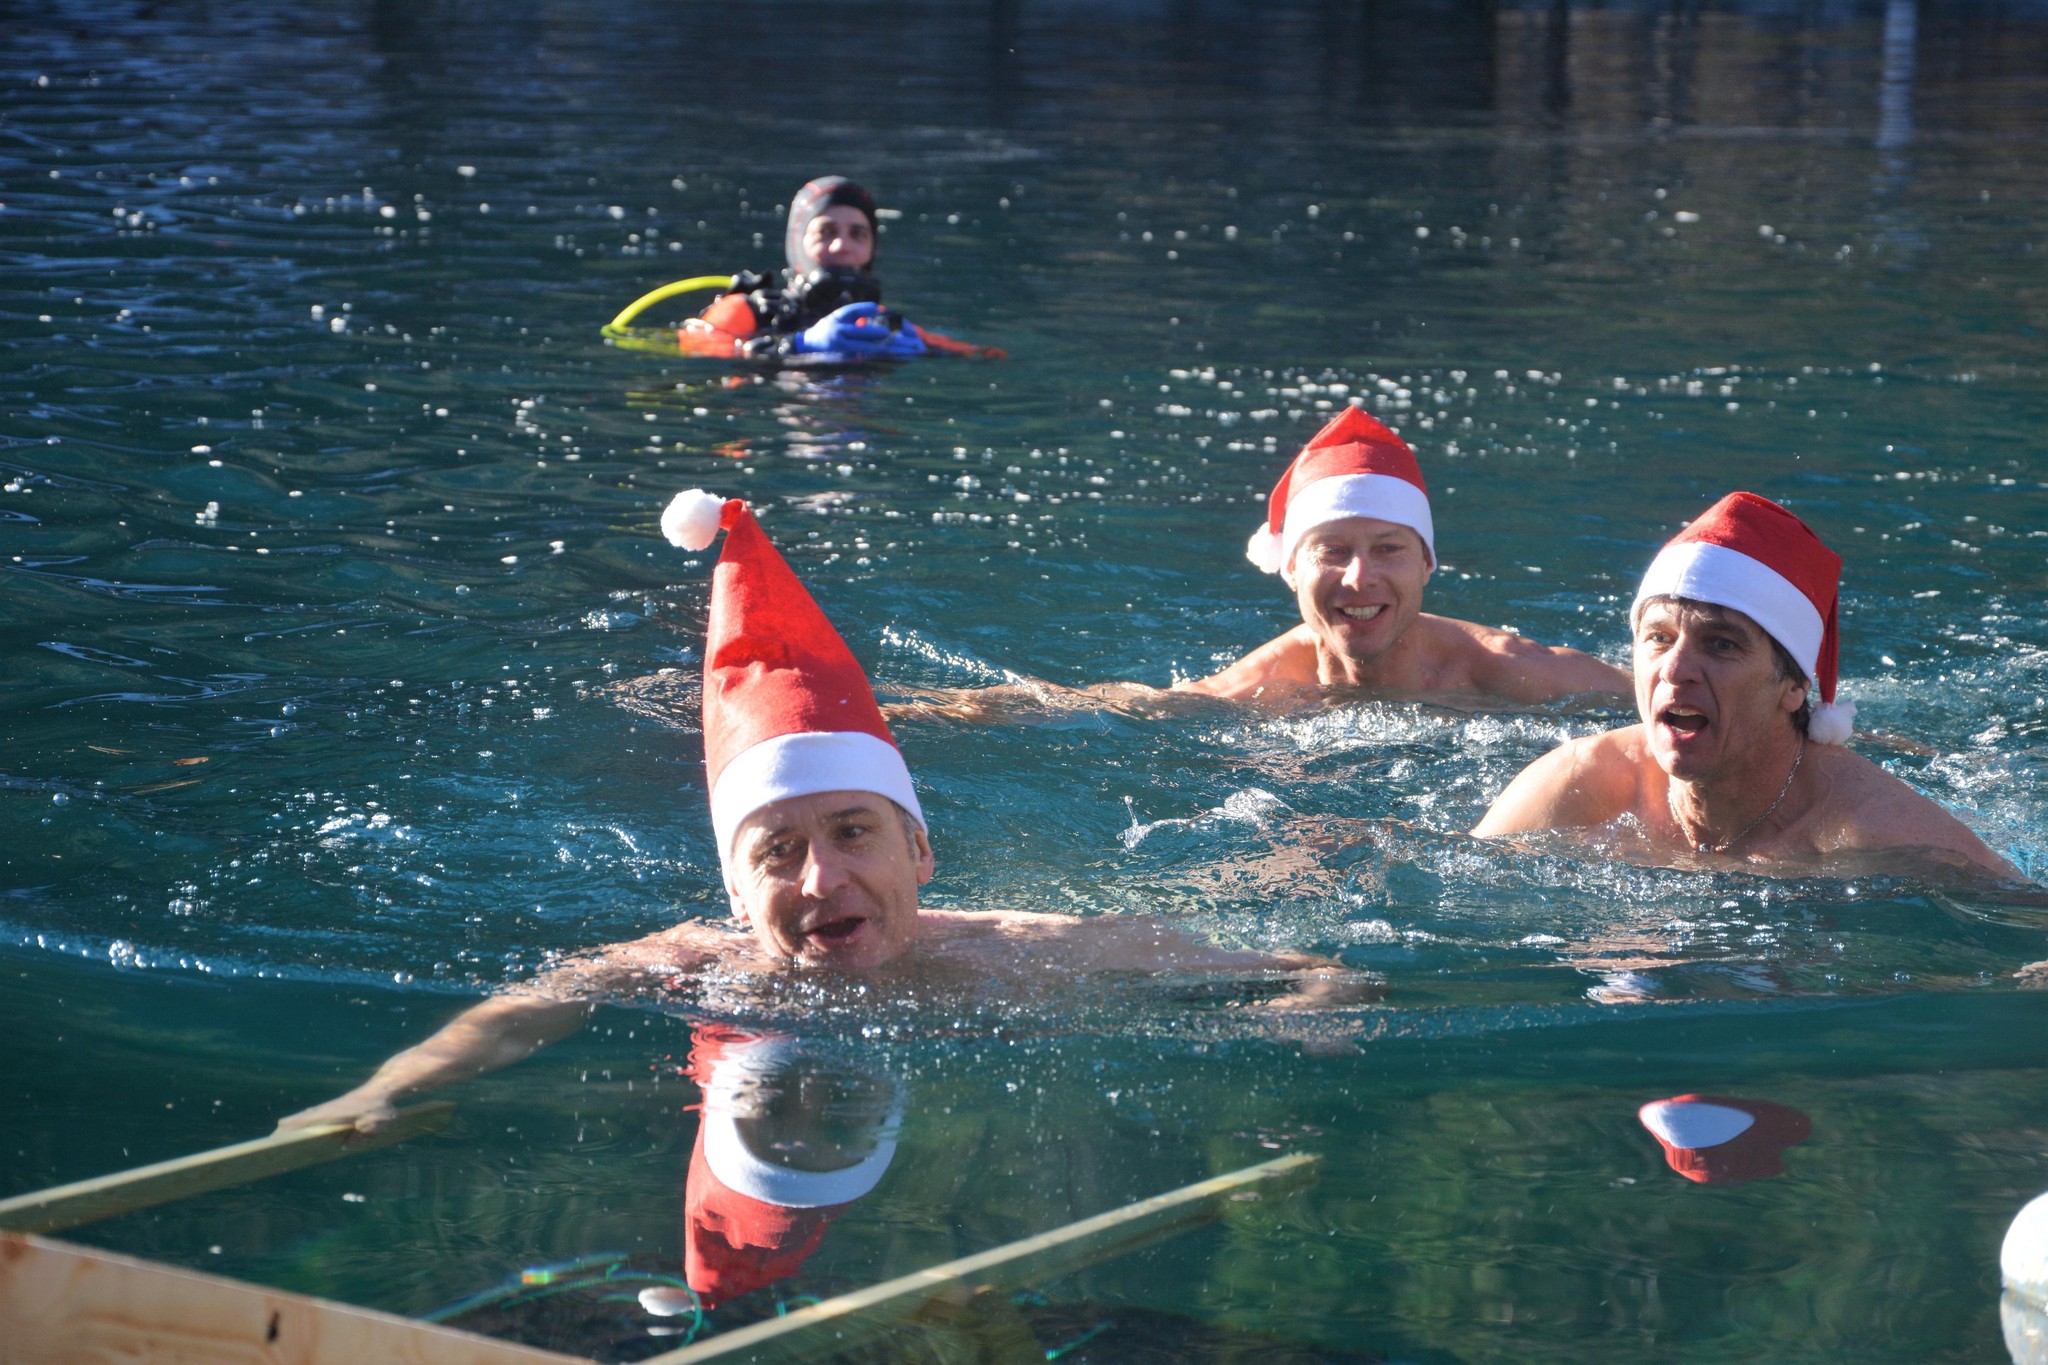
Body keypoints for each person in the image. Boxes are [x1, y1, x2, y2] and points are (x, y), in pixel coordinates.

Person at [277, 491, 1370, 1136]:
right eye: (778, 853)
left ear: (920, 850)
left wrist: (1309, 1011)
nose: (819, 883)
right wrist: (384, 1091)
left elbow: (1305, 967)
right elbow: (521, 1012)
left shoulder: (1035, 954)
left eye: (853, 833)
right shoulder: (693, 962)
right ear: (733, 884)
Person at [893, 407, 1628, 724]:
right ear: (1290, 568)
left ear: (1429, 564)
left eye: (1388, 549)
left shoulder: (1509, 671)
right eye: (1331, 552)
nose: (1358, 578)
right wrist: (930, 713)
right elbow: (1107, 705)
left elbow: (1667, 702)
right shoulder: (1264, 684)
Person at [1472, 491, 2019, 879]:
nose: (1676, 669)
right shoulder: (1584, 783)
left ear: (1793, 688)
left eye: (1722, 645)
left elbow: (2022, 917)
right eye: (1658, 638)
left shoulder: (1874, 830)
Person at [676, 176, 1002, 364]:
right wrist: (795, 347)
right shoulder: (748, 310)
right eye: (826, 232)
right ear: (797, 243)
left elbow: (982, 355)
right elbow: (693, 346)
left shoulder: (878, 322)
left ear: (872, 249)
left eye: (857, 234)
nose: (840, 246)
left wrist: (929, 351)